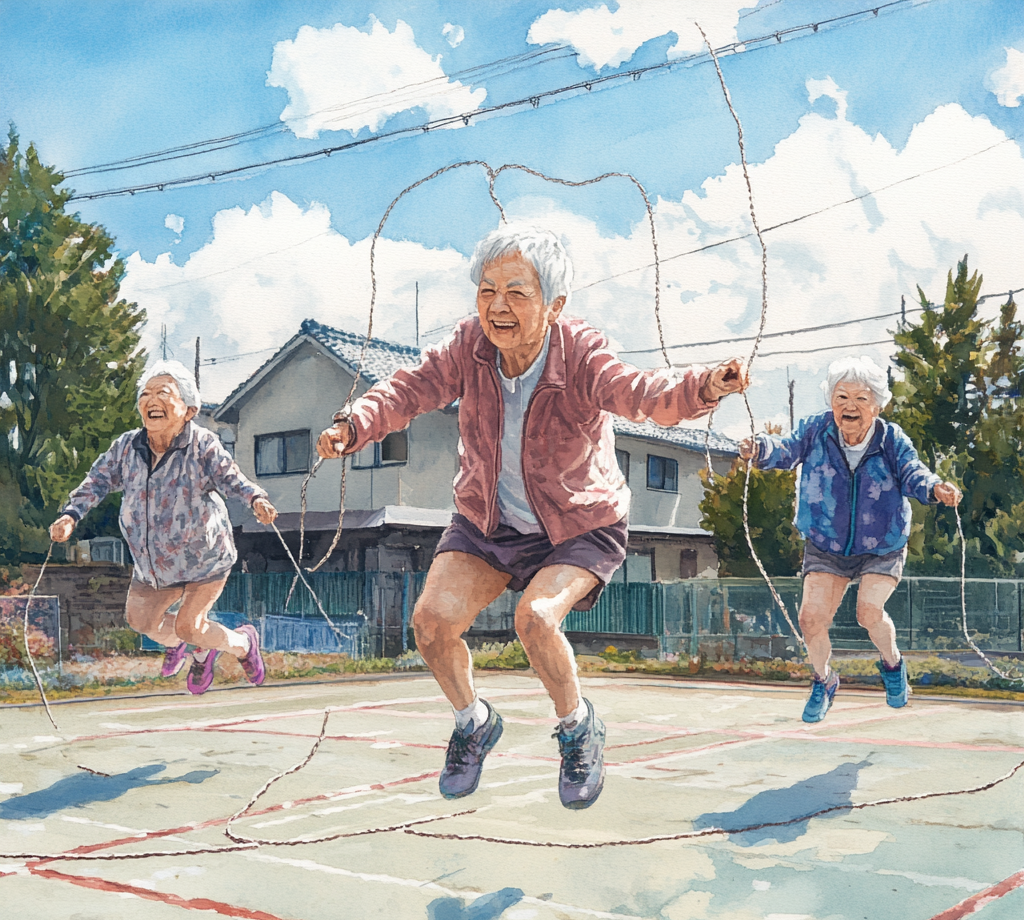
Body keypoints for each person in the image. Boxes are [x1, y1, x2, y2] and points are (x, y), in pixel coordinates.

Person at [317, 225, 747, 809]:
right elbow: (408, 389)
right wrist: (354, 425)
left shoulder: (581, 354)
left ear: (554, 304)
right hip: (488, 521)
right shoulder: (468, 347)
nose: (498, 306)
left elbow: (641, 395)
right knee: (431, 622)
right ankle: (473, 722)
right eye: (487, 289)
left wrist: (703, 386)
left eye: (517, 292)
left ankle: (578, 729)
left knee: (536, 618)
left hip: (577, 523)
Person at [739, 356, 961, 722]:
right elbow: (786, 449)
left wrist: (936, 488)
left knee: (868, 612)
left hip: (881, 544)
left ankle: (893, 667)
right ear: (831, 401)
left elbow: (912, 472)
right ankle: (824, 681)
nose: (850, 407)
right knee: (811, 617)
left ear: (876, 404)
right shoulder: (815, 430)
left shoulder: (891, 440)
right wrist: (759, 449)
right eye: (841, 397)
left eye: (860, 398)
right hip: (827, 542)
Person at [49, 360, 278, 695]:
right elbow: (95, 482)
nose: (151, 400)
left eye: (163, 393)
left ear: (189, 409)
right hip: (154, 565)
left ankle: (243, 643)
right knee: (140, 622)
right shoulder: (127, 447)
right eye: (145, 394)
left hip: (204, 561)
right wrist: (70, 515)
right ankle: (199, 649)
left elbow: (231, 478)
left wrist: (257, 499)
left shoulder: (202, 444)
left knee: (189, 626)